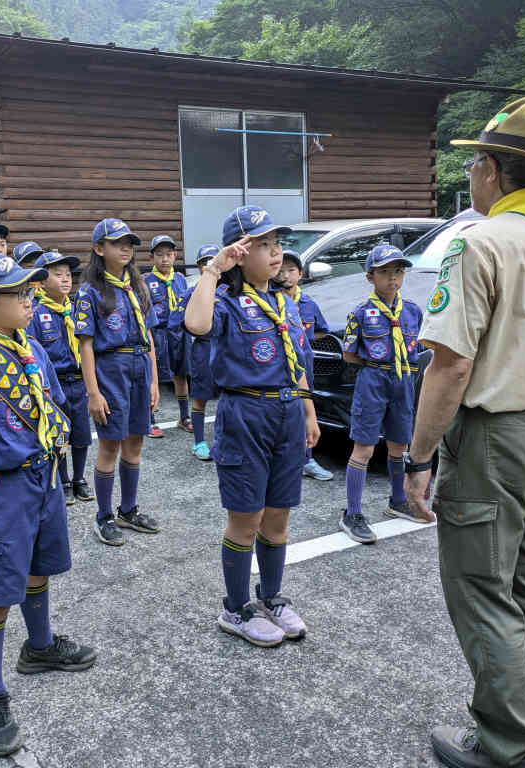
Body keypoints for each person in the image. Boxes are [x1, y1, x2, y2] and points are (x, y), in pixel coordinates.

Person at [403, 95, 525, 768]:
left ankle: (508, 746)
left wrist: (418, 457)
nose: (473, 180)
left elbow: (450, 366)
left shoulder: (480, 243)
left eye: (476, 167)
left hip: (496, 438)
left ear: (490, 169)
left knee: (484, 591)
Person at [0, 252, 97, 758]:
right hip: (3, 485)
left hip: (44, 476)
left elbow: (49, 400)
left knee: (38, 567)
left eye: (32, 293)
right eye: (20, 295)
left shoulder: (28, 346)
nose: (31, 301)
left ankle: (40, 646)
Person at [183, 205, 320, 648]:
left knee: (277, 517)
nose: (277, 253)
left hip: (286, 415)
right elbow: (196, 324)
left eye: (277, 244)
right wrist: (213, 271)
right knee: (246, 519)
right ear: (240, 253)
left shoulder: (284, 301)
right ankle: (236, 608)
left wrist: (308, 411)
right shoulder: (225, 302)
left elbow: (296, 360)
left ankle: (272, 598)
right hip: (246, 416)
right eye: (263, 245)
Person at [74, 218, 161, 546]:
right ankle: (104, 515)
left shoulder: (139, 286)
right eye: (116, 242)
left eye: (129, 242)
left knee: (135, 441)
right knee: (110, 443)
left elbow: (148, 334)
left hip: (139, 366)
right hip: (111, 370)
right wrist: (93, 392)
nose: (126, 247)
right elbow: (85, 345)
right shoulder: (89, 293)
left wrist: (154, 380)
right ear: (99, 249)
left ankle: (128, 509)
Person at [337, 243, 427, 545]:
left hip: (403, 380)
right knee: (363, 447)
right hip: (373, 379)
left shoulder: (413, 311)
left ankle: (397, 500)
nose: (393, 278)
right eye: (385, 272)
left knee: (399, 444)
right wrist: (377, 366)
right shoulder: (360, 314)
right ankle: (352, 512)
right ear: (370, 277)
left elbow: (420, 346)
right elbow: (350, 355)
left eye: (399, 271)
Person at [28, 250, 94, 505]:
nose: (66, 280)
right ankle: (63, 478)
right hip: (55, 384)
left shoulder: (76, 309)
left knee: (81, 434)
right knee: (58, 434)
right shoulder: (35, 312)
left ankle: (79, 478)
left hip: (78, 381)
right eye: (58, 275)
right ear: (43, 282)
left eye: (68, 275)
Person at [274, 249, 333, 481]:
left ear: (300, 274)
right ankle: (284, 458)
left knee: (305, 411)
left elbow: (321, 330)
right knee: (282, 410)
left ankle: (307, 458)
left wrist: (302, 342)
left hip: (303, 366)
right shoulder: (271, 301)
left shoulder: (308, 303)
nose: (286, 275)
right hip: (279, 367)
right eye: (281, 270)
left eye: (291, 270)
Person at [143, 235, 191, 438]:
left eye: (168, 254)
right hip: (158, 332)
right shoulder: (145, 281)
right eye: (159, 255)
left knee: (181, 374)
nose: (164, 259)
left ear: (175, 255)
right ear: (151, 257)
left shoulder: (180, 279)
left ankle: (184, 416)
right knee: (153, 376)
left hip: (179, 333)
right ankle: (150, 419)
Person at [181, 245, 222, 461]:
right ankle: (199, 442)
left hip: (227, 348)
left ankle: (225, 441)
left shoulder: (231, 289)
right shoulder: (193, 292)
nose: (209, 266)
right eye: (204, 262)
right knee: (200, 396)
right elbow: (178, 321)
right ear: (198, 267)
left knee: (229, 396)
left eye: (213, 260)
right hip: (204, 348)